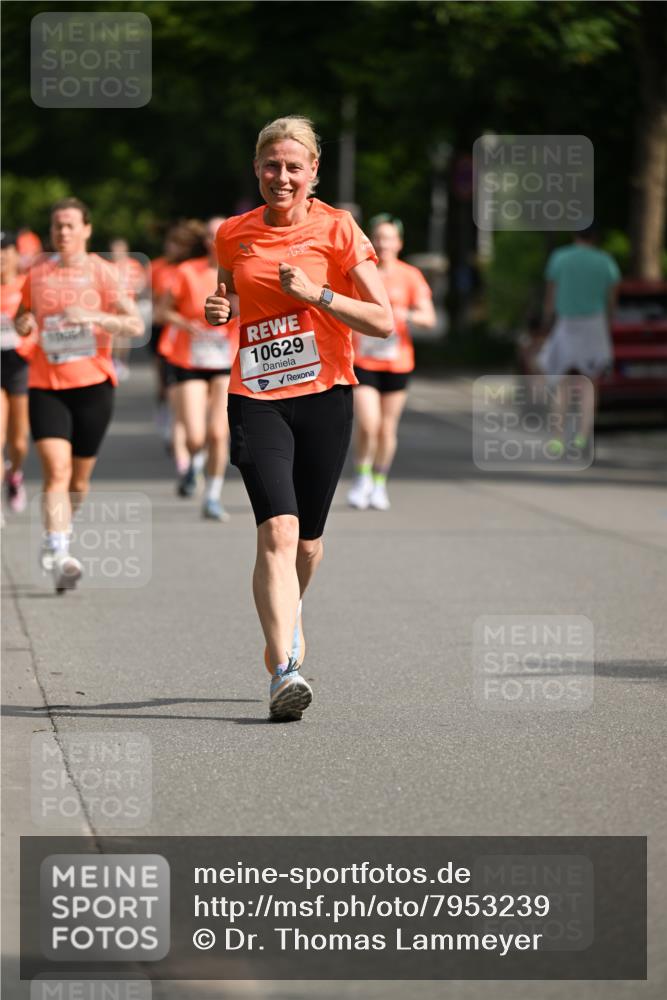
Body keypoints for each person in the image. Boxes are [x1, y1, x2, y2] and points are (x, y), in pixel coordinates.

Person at [205, 115, 392, 721]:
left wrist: (318, 295)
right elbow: (229, 296)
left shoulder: (338, 229)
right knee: (277, 531)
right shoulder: (233, 234)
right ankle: (285, 668)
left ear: (313, 172)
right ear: (255, 168)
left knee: (307, 542)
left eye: (292, 166)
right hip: (256, 395)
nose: (280, 176)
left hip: (326, 395)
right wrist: (220, 308)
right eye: (270, 165)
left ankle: (287, 615)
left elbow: (383, 319)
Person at [14, 197, 144, 592]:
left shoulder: (104, 274)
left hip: (93, 385)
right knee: (56, 471)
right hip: (46, 383)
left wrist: (94, 318)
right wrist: (24, 323)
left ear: (87, 230)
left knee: (79, 483)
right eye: (57, 226)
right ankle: (60, 550)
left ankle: (59, 536)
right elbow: (23, 316)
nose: (63, 232)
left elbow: (135, 325)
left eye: (70, 225)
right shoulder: (36, 273)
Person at [347, 214, 436, 510]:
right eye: (379, 238)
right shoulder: (360, 272)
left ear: (399, 243)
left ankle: (380, 482)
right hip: (364, 360)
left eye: (389, 238)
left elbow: (428, 317)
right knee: (369, 424)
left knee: (387, 429)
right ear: (371, 241)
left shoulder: (410, 276)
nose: (383, 244)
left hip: (397, 363)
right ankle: (362, 478)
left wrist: (404, 315)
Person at [156, 217, 239, 520]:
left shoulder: (243, 274)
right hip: (189, 359)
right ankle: (194, 461)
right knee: (194, 435)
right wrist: (186, 324)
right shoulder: (186, 272)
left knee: (219, 433)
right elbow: (161, 311)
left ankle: (213, 495)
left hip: (226, 361)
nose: (214, 241)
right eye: (210, 236)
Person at [537, 224, 621, 454]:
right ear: (596, 237)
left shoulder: (560, 258)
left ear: (574, 234)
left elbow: (550, 295)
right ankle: (583, 437)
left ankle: (557, 437)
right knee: (589, 385)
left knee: (561, 383)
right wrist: (609, 322)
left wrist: (546, 322)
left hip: (567, 323)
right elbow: (612, 299)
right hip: (594, 325)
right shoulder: (605, 261)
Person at [1, 231, 31, 518]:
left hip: (20, 364)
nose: (0, 256)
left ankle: (16, 475)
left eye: (5, 250)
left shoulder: (26, 285)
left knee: (19, 441)